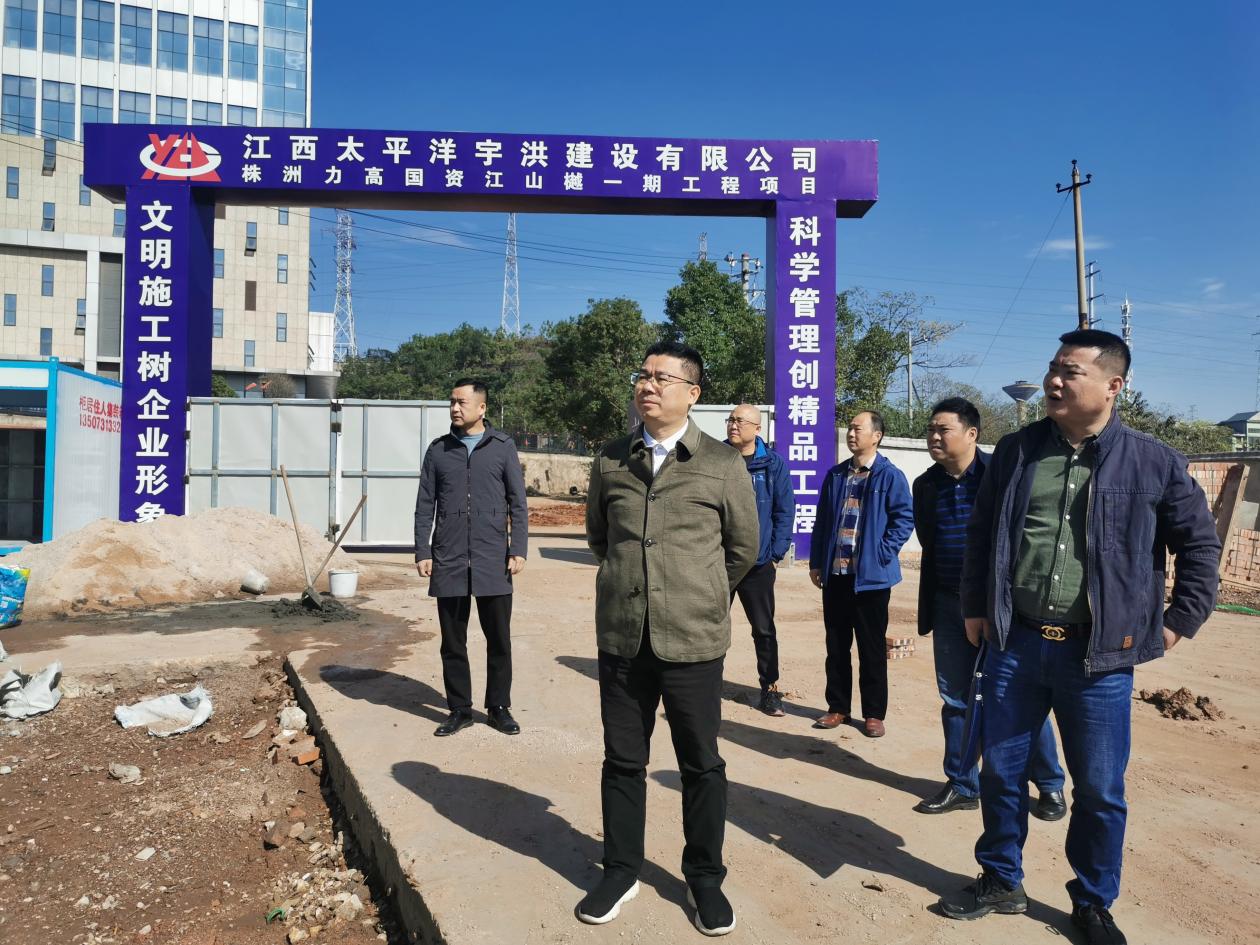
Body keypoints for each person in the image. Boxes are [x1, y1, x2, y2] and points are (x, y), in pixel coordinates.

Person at [940, 331, 1220, 945]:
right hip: (1015, 644)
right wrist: (975, 606)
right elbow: (983, 533)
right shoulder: (1016, 450)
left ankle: (1093, 901)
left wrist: (1178, 621)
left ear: (1113, 385)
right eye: (1052, 367)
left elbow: (1200, 546)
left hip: (1098, 658)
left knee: (1099, 790)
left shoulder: (1153, 461)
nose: (1054, 380)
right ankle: (1001, 878)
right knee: (1001, 773)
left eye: (1070, 371)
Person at [579, 341, 758, 936]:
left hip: (693, 642)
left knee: (700, 763)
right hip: (622, 637)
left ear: (692, 393)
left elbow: (743, 549)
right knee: (622, 760)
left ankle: (704, 878)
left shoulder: (721, 463)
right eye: (643, 375)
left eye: (662, 377)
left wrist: (698, 595)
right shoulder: (611, 459)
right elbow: (600, 539)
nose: (648, 385)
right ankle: (621, 870)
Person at [911, 398, 1067, 818]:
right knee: (956, 699)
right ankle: (963, 783)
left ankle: (1049, 784)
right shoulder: (926, 485)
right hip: (948, 604)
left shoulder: (1001, 476)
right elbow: (929, 540)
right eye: (930, 430)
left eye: (943, 429)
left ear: (972, 434)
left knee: (1019, 696)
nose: (934, 437)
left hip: (1002, 606)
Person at [414, 379, 529, 737]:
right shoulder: (438, 450)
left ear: (482, 408)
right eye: (451, 401)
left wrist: (518, 548)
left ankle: (498, 708)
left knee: (499, 640)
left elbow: (518, 502)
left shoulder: (502, 447)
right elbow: (424, 505)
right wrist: (423, 550)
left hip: (492, 557)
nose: (454, 408)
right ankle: (459, 709)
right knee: (453, 642)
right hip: (448, 559)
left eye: (461, 402)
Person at [808, 410, 914, 737]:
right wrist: (817, 562)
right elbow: (823, 522)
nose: (851, 434)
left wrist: (881, 554)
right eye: (850, 429)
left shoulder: (889, 476)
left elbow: (904, 519)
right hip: (837, 576)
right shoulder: (836, 475)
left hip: (871, 580)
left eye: (858, 428)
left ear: (876, 436)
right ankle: (838, 708)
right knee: (836, 647)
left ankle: (874, 714)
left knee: (871, 649)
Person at [724, 403, 796, 716]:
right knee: (709, 628)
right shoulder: (716, 458)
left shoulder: (772, 464)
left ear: (757, 428)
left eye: (740, 421)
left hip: (758, 564)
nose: (733, 425)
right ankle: (703, 687)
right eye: (730, 419)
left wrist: (775, 554)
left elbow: (784, 510)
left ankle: (770, 689)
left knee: (764, 630)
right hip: (720, 563)